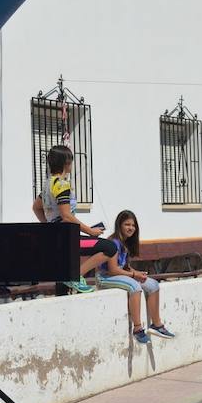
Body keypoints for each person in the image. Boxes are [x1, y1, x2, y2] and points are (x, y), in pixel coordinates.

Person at [32, 145, 117, 293]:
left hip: (57, 236)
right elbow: (66, 215)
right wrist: (90, 231)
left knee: (62, 281)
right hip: (67, 236)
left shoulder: (47, 185)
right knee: (110, 247)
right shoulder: (62, 184)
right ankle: (75, 275)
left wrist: (49, 227)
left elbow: (36, 207)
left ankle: (68, 281)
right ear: (66, 162)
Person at [98, 210, 175, 344]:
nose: (131, 228)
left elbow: (124, 266)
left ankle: (157, 325)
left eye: (133, 225)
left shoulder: (125, 243)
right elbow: (113, 270)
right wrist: (134, 276)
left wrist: (137, 273)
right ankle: (138, 329)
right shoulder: (113, 242)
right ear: (119, 225)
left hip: (118, 274)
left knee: (152, 284)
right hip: (105, 278)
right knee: (135, 286)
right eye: (127, 224)